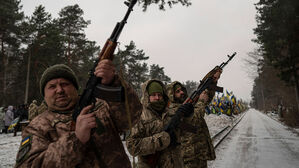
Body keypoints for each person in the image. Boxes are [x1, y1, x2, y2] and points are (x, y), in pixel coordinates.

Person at [15, 61, 142, 168]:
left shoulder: (101, 106)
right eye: (52, 86)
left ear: (75, 88)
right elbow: (30, 165)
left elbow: (132, 117)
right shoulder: (37, 126)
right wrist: (76, 139)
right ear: (44, 94)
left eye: (65, 84)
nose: (59, 90)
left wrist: (113, 83)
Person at [126, 79, 194, 168]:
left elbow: (185, 134)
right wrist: (162, 140)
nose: (157, 98)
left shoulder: (170, 112)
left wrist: (188, 116)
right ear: (147, 96)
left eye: (159, 95)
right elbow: (132, 146)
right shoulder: (139, 115)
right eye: (153, 95)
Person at [180, 67, 222, 168]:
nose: (181, 93)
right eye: (177, 91)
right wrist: (201, 101)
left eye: (182, 91)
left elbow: (206, 97)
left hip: (199, 154)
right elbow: (193, 122)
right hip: (188, 158)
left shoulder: (186, 105)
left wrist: (213, 80)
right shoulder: (175, 111)